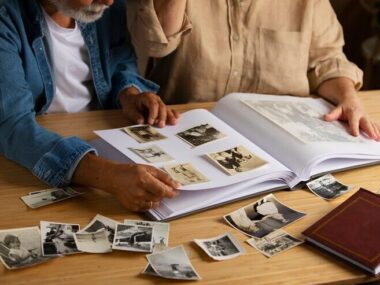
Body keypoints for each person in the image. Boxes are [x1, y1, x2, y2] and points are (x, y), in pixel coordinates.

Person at [0, 0, 181, 212]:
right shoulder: (6, 17)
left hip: (100, 146)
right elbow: (12, 126)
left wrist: (130, 94)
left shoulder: (103, 9)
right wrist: (109, 176)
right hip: (31, 165)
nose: (109, 1)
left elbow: (121, 62)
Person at [127, 0, 380, 140]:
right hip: (185, 130)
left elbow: (326, 61)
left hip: (285, 139)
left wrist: (348, 97)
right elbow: (154, 43)